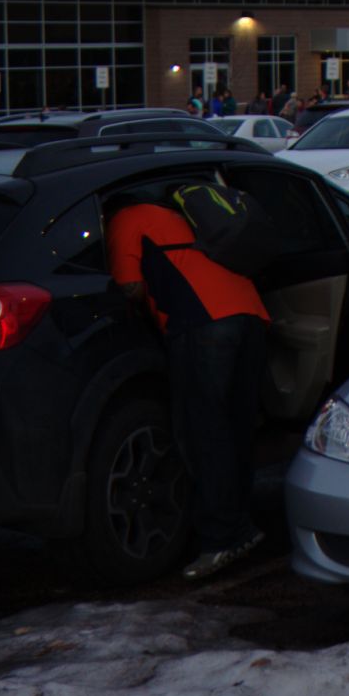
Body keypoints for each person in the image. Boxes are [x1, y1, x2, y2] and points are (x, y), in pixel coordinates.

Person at [105, 187, 271, 581]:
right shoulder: (176, 213)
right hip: (250, 315)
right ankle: (242, 524)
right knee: (235, 425)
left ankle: (221, 539)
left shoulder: (123, 220)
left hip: (203, 324)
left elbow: (129, 286)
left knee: (203, 431)